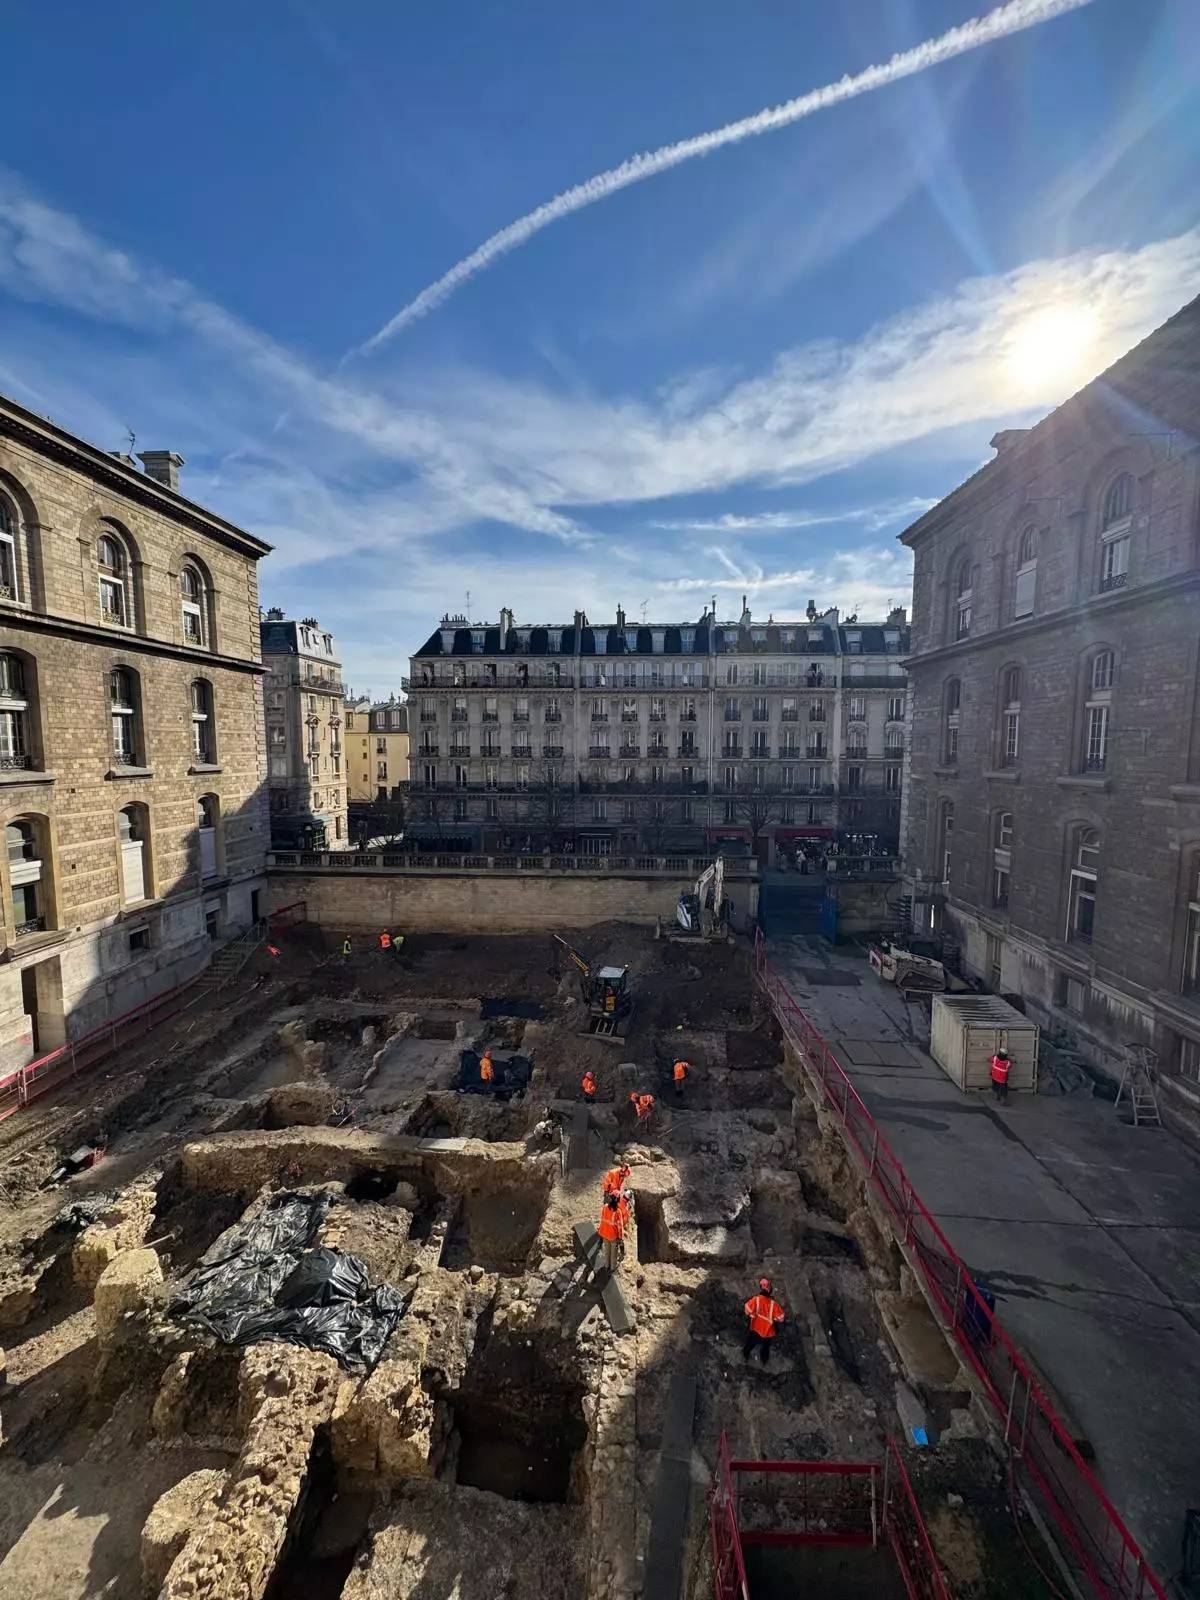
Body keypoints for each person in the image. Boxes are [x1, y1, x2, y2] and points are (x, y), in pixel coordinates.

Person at [743, 1278, 785, 1365]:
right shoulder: (774, 1305)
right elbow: (781, 1318)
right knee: (765, 1348)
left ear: (761, 1288)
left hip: (755, 1328)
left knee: (750, 1343)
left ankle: (745, 1355)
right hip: (768, 1332)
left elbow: (747, 1309)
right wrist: (773, 1317)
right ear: (770, 1290)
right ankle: (764, 1361)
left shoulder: (756, 1300)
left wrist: (752, 1315)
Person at [597, 1191, 629, 1274]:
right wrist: (620, 1238)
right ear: (617, 1200)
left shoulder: (605, 1207)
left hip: (604, 1234)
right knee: (613, 1253)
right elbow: (620, 1227)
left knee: (606, 1250)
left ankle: (606, 1266)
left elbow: (602, 1220)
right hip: (612, 1236)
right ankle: (612, 1268)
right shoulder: (618, 1212)